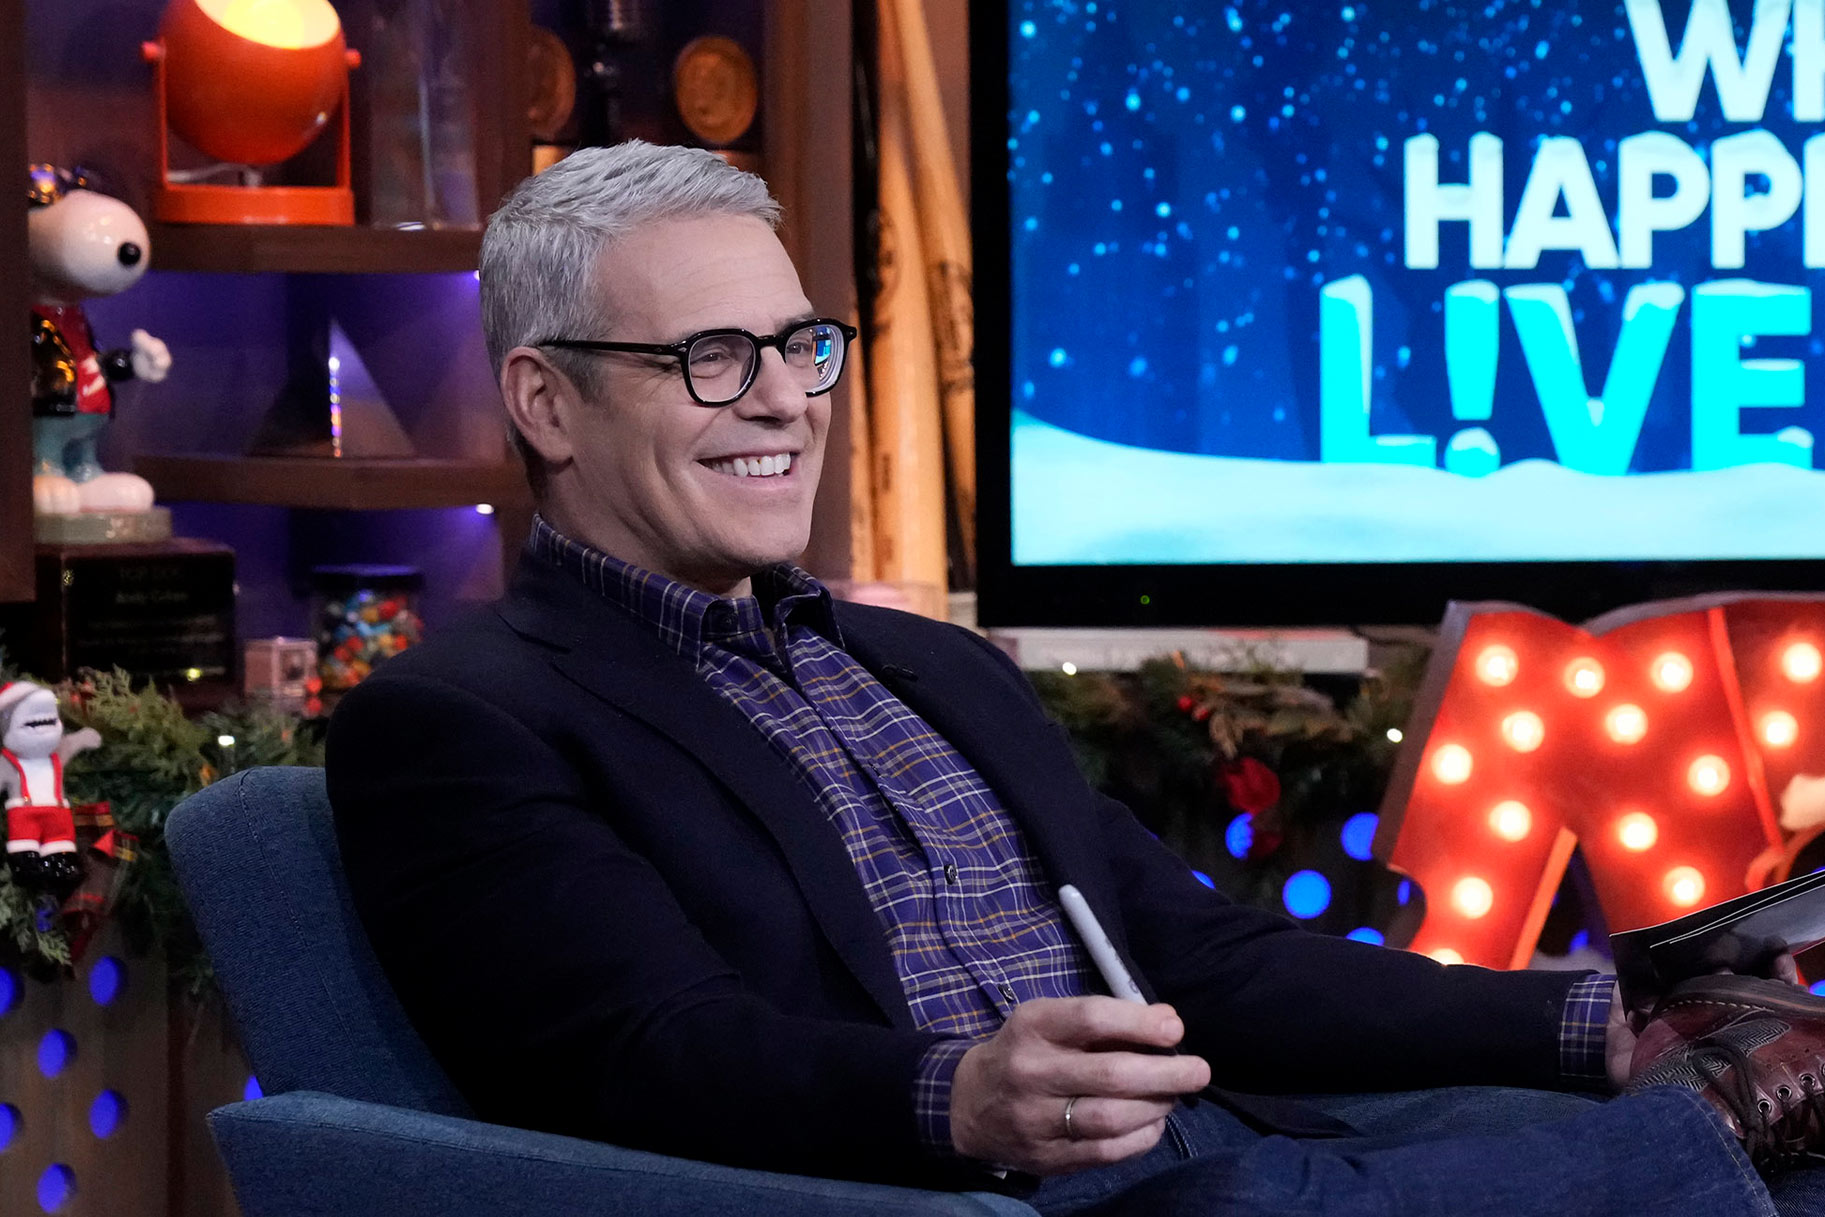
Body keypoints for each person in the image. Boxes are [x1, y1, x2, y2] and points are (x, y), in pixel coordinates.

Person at [325, 141, 1825, 1217]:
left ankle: (1709, 1117)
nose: (783, 398)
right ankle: (1718, 1133)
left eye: (799, 343)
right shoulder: (462, 720)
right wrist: (958, 1093)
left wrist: (1592, 1025)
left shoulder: (929, 667)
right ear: (546, 401)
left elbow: (1203, 962)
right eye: (711, 357)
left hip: (1227, 1152)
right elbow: (647, 1053)